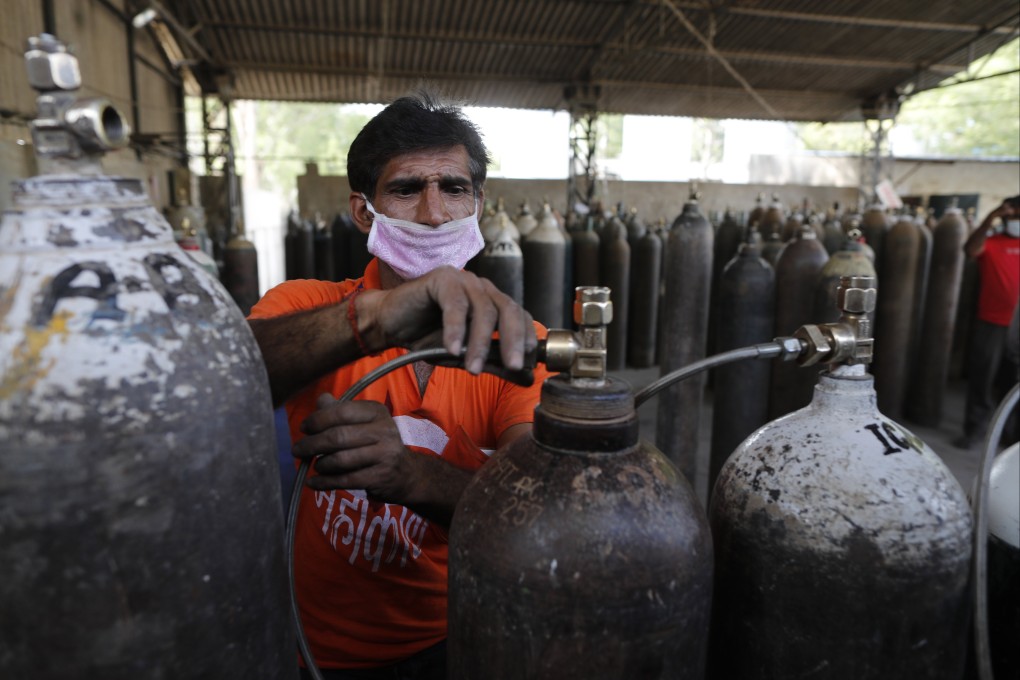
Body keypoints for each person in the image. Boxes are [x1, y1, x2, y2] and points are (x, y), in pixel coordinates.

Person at [248, 93, 552, 679]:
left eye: (455, 189)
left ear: (478, 205)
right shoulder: (306, 307)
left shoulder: (519, 343)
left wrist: (413, 475)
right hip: (321, 652)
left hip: (458, 638)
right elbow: (226, 377)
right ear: (365, 212)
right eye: (407, 190)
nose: (435, 212)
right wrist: (377, 315)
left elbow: (538, 513)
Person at [954, 196, 1020, 449]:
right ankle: (974, 431)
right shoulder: (991, 243)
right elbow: (970, 250)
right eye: (1011, 216)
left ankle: (1010, 438)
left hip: (1017, 327)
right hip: (991, 323)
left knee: (1012, 385)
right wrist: (990, 217)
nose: (1015, 221)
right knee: (981, 379)